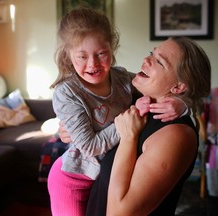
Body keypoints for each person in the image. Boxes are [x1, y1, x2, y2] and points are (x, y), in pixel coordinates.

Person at [48, 7, 187, 216]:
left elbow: (159, 87)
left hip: (103, 178)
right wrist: (127, 122)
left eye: (101, 53)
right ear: (68, 55)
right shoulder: (67, 93)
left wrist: (181, 103)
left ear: (112, 48)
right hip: (73, 180)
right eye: (82, 56)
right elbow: (91, 147)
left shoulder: (122, 79)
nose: (92, 64)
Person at [84, 36, 211, 215]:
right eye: (152, 53)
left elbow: (120, 213)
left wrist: (128, 138)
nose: (146, 59)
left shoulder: (176, 134)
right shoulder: (136, 103)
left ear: (178, 87)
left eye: (159, 61)